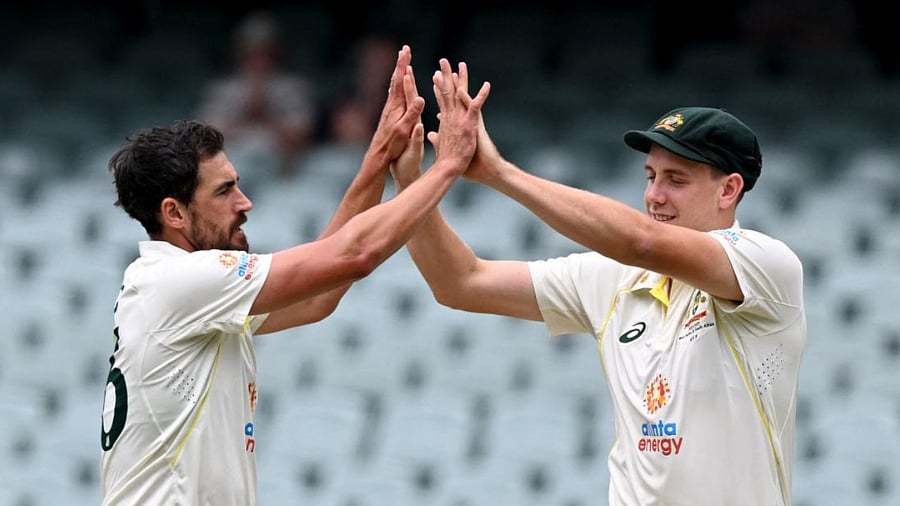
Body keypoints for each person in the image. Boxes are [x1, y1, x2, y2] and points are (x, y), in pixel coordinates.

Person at [390, 59, 806, 506]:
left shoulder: (767, 266)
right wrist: (411, 181)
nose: (654, 196)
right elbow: (460, 283)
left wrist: (498, 173)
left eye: (675, 180)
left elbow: (641, 242)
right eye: (651, 176)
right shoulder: (613, 278)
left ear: (728, 190)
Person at [98, 46, 491, 505]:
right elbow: (355, 254)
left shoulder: (181, 292)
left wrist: (378, 157)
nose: (244, 203)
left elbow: (313, 300)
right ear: (174, 213)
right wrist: (448, 166)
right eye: (224, 192)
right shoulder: (182, 281)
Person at [195, 10, 317, 183]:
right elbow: (207, 141)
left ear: (277, 53)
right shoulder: (221, 90)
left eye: (266, 53)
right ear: (240, 53)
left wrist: (265, 114)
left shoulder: (294, 88)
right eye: (252, 53)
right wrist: (245, 116)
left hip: (281, 173)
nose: (259, 61)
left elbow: (298, 139)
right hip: (232, 169)